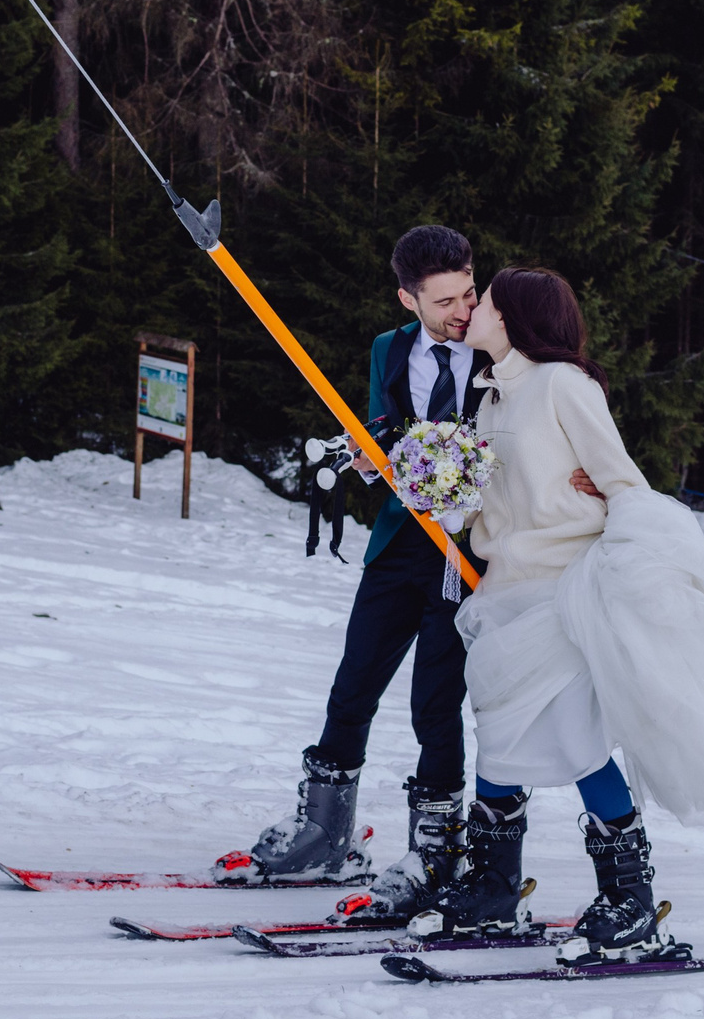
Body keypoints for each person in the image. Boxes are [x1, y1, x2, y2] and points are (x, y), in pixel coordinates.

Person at [409, 265, 704, 965]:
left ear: (513, 316)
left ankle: (630, 901)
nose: (471, 309)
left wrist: (610, 515)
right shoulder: (489, 400)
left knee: (577, 739)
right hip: (504, 594)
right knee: (499, 735)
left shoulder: (563, 386)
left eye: (482, 299)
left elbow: (624, 483)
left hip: (563, 593)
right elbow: (483, 509)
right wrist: (437, 488)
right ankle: (492, 884)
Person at [231, 227, 601, 919]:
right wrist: (371, 457)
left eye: (468, 292)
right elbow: (388, 429)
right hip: (400, 540)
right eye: (445, 301)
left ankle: (434, 850)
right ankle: (324, 830)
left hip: (466, 553)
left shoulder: (503, 347)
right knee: (354, 680)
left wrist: (583, 472)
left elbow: (547, 411)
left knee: (435, 702)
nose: (463, 309)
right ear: (409, 298)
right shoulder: (388, 349)